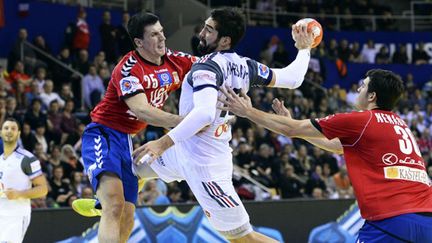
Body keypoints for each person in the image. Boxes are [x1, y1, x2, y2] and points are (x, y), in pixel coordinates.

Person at [132, 8, 313, 242]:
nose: (201, 34)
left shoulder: (207, 67)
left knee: (243, 238)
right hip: (184, 152)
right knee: (133, 167)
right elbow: (293, 78)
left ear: (224, 40)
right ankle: (104, 206)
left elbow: (204, 115)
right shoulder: (245, 66)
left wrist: (161, 143)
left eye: (209, 30)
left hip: (205, 167)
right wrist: (305, 48)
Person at [219, 69, 432, 242]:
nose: (359, 88)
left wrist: (248, 111)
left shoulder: (362, 120)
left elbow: (291, 130)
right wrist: (297, 129)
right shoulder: (401, 125)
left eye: (364, 85)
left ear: (372, 96)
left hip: (391, 221)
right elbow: (338, 147)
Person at [78, 12, 195, 243]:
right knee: (115, 205)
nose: (162, 38)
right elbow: (142, 110)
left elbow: (208, 67)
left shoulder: (174, 59)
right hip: (103, 133)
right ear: (139, 42)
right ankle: (103, 200)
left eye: (162, 32)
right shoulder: (128, 68)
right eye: (154, 34)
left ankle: (99, 202)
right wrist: (188, 122)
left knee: (128, 216)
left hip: (127, 139)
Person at [0, 118, 48, 243]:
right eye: (6, 128)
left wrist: (19, 194)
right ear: (1, 132)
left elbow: (43, 189)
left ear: (19, 133)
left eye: (13, 128)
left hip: (16, 216)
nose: (9, 131)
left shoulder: (27, 158)